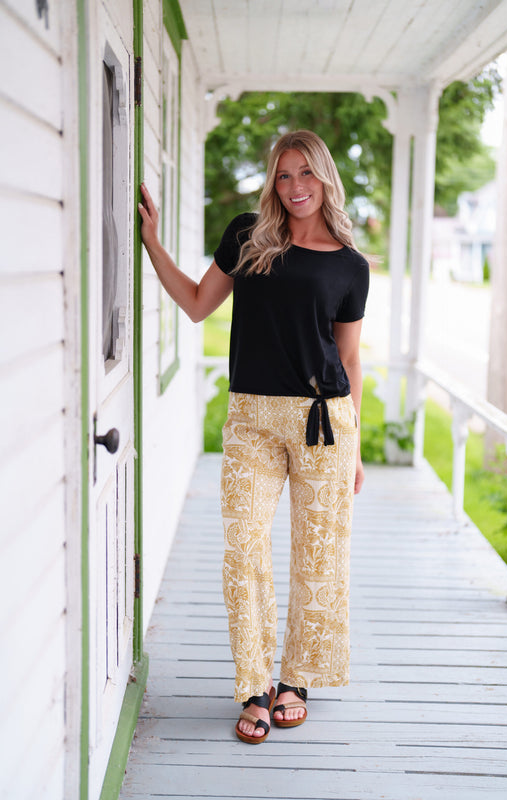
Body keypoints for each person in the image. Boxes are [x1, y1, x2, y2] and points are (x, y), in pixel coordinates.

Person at [138, 129, 369, 745]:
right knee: (243, 547)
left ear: (324, 178)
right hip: (252, 419)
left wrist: (355, 447)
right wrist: (152, 243)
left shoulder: (350, 265)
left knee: (319, 556)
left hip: (324, 421)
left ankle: (297, 680)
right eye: (284, 175)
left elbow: (349, 358)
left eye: (305, 173)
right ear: (274, 182)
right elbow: (196, 304)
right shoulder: (248, 236)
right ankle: (254, 684)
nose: (295, 186)